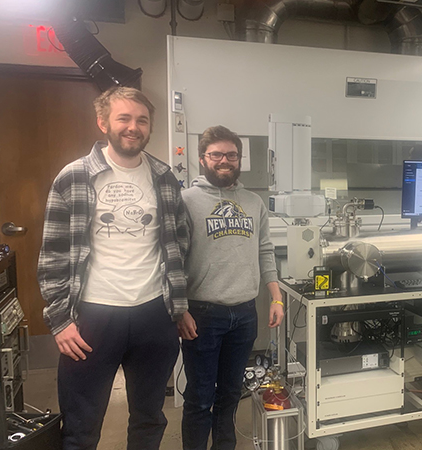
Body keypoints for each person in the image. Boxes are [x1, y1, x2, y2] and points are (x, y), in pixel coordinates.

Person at [38, 87, 188, 450]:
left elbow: (180, 243)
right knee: (81, 427)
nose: (132, 127)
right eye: (124, 118)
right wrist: (59, 319)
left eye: (141, 120)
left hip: (154, 314)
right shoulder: (73, 177)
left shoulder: (164, 178)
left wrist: (178, 305)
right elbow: (53, 254)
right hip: (92, 317)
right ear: (103, 122)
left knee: (150, 418)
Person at [177, 125, 285, 450]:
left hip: (245, 313)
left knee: (230, 393)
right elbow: (174, 258)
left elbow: (265, 250)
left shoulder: (254, 203)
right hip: (202, 315)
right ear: (202, 159)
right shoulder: (185, 201)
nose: (225, 160)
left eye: (231, 155)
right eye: (216, 155)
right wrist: (179, 309)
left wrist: (276, 297)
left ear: (239, 160)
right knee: (199, 397)